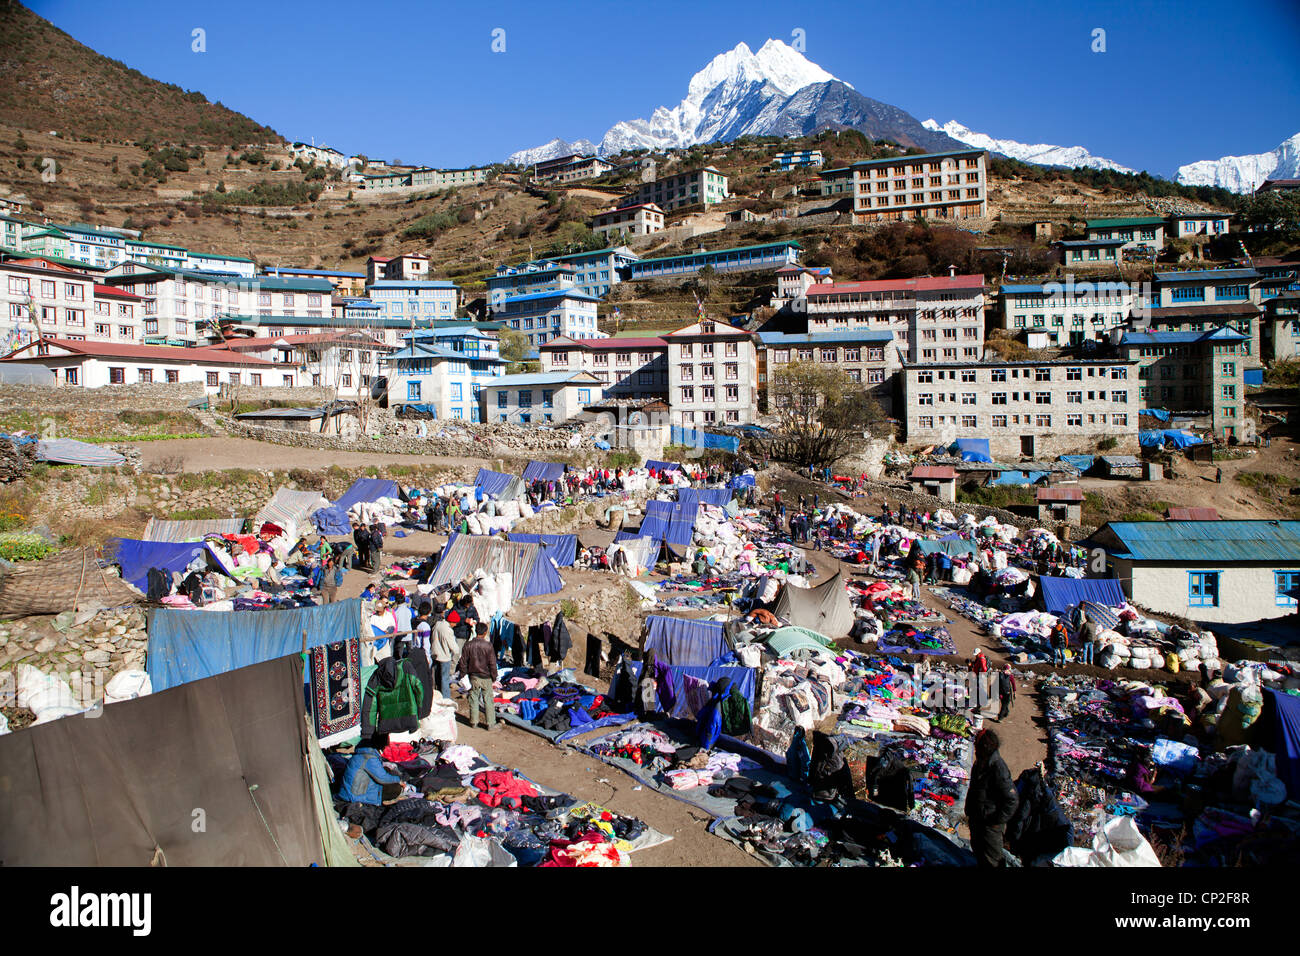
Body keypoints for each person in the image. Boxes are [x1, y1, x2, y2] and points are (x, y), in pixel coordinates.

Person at [965, 728, 1018, 867]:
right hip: (978, 818)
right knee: (978, 851)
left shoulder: (998, 768)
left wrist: (996, 820)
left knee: (992, 859)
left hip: (990, 824)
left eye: (977, 745)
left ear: (984, 747)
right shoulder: (981, 763)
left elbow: (1012, 800)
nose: (975, 748)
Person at [457, 621, 498, 730]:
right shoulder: (488, 646)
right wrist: (494, 676)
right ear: (485, 633)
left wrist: (463, 675)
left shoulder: (468, 645)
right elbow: (492, 663)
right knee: (488, 700)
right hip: (486, 676)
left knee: (473, 698)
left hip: (473, 676)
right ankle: (490, 723)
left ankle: (474, 722)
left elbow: (463, 662)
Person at [430, 608, 458, 701]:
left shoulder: (438, 624)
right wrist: (457, 651)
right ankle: (446, 698)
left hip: (435, 654)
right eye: (455, 623)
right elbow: (453, 646)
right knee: (445, 679)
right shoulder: (448, 630)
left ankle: (437, 694)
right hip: (444, 657)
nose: (455, 625)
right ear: (452, 622)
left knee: (437, 677)